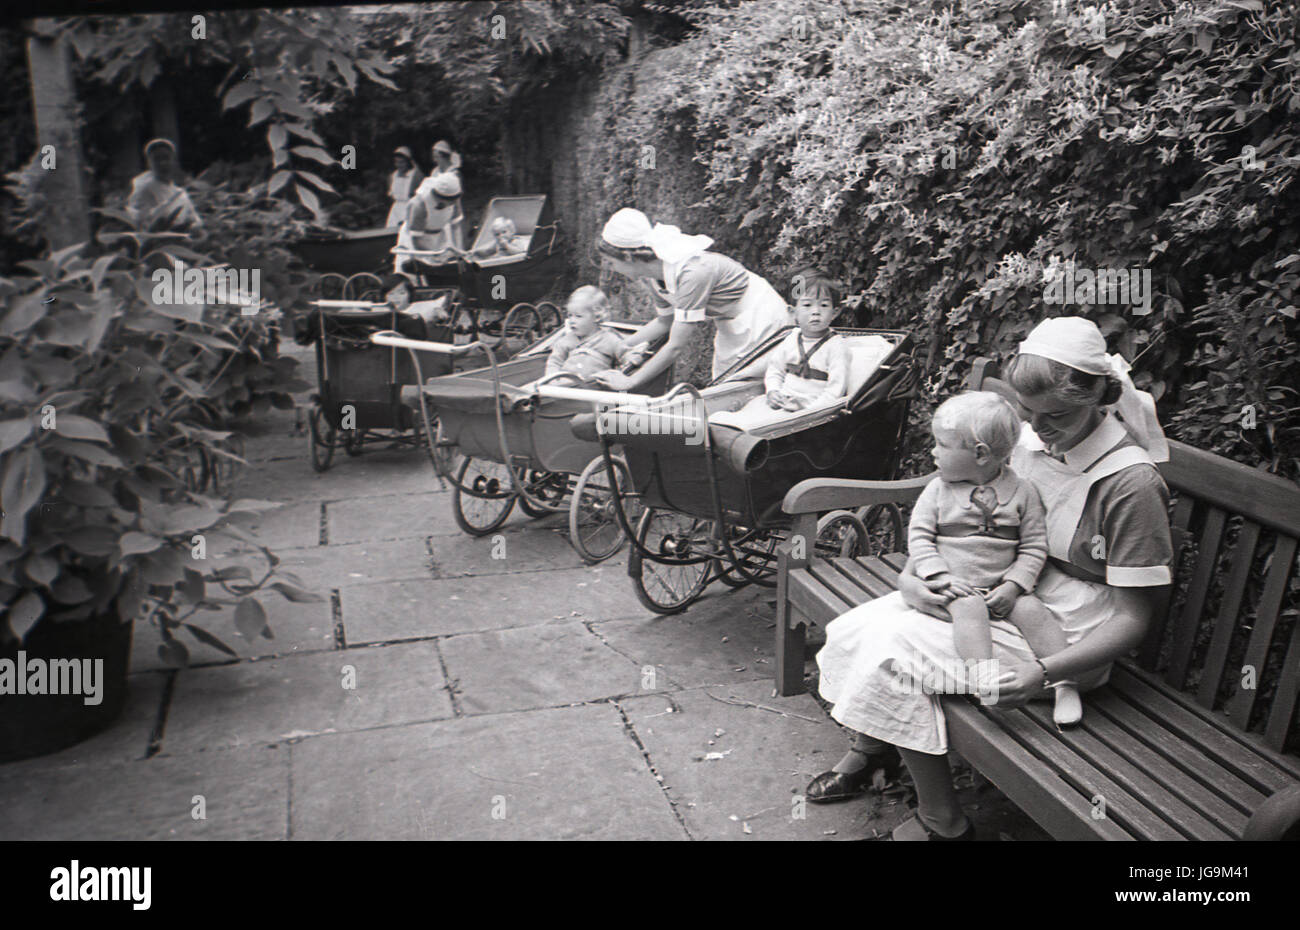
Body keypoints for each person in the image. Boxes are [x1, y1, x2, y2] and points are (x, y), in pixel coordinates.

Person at [807, 315, 1173, 841]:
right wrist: (913, 580)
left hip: (1067, 634)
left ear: (1102, 397)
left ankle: (942, 824)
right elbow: (960, 527)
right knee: (854, 628)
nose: (1038, 429)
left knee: (893, 654)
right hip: (999, 593)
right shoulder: (1030, 443)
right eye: (1028, 413)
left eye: (1058, 416)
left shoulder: (1131, 484)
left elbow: (1136, 617)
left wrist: (1043, 672)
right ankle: (873, 749)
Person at [909, 391, 1082, 726]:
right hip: (958, 588)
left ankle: (1065, 683)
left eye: (942, 445)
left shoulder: (1022, 492)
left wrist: (1014, 586)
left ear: (980, 454)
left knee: (1035, 612)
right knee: (970, 610)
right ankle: (985, 679)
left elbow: (1033, 546)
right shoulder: (937, 491)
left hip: (1001, 586)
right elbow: (919, 538)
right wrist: (940, 577)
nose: (933, 451)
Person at [592, 208, 792, 391]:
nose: (611, 269)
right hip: (729, 321)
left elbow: (676, 346)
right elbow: (665, 321)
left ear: (627, 256)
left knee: (754, 385)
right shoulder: (655, 277)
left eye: (611, 262)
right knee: (725, 385)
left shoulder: (692, 273)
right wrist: (623, 344)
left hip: (760, 315)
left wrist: (629, 381)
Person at [763, 270, 849, 411]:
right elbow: (775, 370)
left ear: (835, 312)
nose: (816, 311)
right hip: (783, 402)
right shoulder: (791, 338)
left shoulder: (836, 346)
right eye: (807, 305)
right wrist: (773, 391)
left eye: (824, 305)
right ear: (792, 312)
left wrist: (807, 411)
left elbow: (835, 391)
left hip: (813, 411)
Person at [544, 286, 630, 384]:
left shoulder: (610, 340)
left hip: (596, 388)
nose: (572, 321)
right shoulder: (566, 340)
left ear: (597, 316)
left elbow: (626, 354)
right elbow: (554, 362)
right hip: (566, 387)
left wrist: (632, 358)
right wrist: (552, 379)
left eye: (578, 316)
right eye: (570, 315)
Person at [394, 172, 465, 273]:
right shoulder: (419, 205)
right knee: (418, 273)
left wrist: (458, 250)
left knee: (444, 270)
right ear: (440, 198)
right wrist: (434, 256)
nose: (455, 203)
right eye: (451, 201)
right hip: (415, 238)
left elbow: (456, 226)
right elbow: (417, 240)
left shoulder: (454, 196)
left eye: (455, 199)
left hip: (439, 236)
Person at [126, 138, 202, 232]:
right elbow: (139, 220)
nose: (162, 163)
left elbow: (195, 220)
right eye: (156, 159)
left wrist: (194, 226)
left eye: (166, 157)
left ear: (173, 161)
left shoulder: (181, 194)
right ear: (149, 163)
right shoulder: (143, 189)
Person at [385, 147, 424, 228]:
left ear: (408, 162)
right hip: (395, 212)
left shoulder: (415, 175)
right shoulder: (393, 176)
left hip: (410, 210)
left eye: (402, 162)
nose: (399, 165)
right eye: (397, 162)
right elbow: (392, 196)